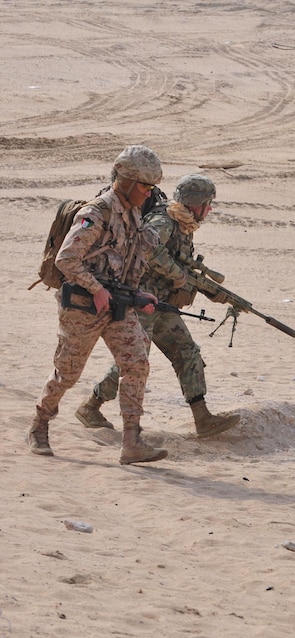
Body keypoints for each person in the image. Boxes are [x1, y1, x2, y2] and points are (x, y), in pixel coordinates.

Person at [27, 145, 168, 465]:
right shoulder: (95, 213)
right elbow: (66, 259)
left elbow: (126, 262)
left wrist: (138, 296)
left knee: (136, 361)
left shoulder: (133, 213)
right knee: (67, 374)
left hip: (117, 306)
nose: (149, 194)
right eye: (146, 187)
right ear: (128, 182)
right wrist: (95, 288)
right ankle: (39, 426)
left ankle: (132, 441)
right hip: (81, 307)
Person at [74, 174, 240, 438]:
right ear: (196, 202)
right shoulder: (164, 221)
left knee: (187, 352)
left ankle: (203, 418)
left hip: (160, 305)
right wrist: (178, 276)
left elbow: (181, 264)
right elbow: (148, 251)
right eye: (208, 204)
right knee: (133, 362)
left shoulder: (184, 225)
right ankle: (91, 406)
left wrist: (210, 291)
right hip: (140, 302)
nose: (210, 209)